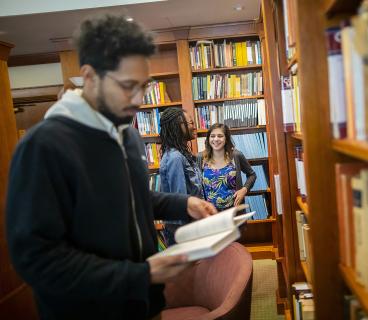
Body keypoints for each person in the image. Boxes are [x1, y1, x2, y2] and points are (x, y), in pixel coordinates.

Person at [5, 14, 216, 320]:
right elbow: (36, 259)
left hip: (145, 305)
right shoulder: (44, 146)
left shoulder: (127, 134)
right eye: (128, 86)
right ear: (90, 76)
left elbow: (131, 197)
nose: (139, 99)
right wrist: (140, 275)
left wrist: (185, 204)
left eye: (143, 86)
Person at [159, 107, 204, 245]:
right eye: (190, 123)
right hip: (184, 233)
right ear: (178, 127)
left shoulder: (184, 155)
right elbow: (179, 203)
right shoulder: (175, 158)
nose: (194, 126)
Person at [197, 123, 257, 211]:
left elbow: (252, 175)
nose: (216, 139)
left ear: (226, 138)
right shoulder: (200, 158)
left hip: (233, 212)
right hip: (209, 214)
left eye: (220, 136)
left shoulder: (236, 155)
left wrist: (244, 190)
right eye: (212, 136)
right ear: (208, 138)